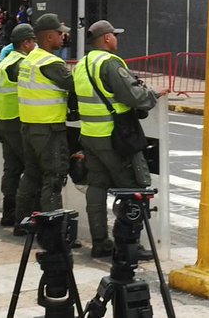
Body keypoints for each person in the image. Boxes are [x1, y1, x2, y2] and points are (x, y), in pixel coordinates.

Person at [73, 20, 164, 258]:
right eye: (114, 35)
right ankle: (128, 244)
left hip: (90, 135)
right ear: (106, 39)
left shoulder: (82, 64)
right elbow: (133, 96)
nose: (116, 38)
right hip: (115, 138)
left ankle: (100, 242)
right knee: (132, 189)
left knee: (96, 186)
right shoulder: (110, 63)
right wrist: (152, 95)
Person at [14, 13, 79, 230]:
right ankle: (53, 231)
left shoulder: (29, 59)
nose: (63, 37)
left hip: (29, 126)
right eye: (60, 34)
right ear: (49, 37)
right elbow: (74, 84)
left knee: (31, 175)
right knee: (54, 177)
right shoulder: (50, 62)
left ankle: (23, 223)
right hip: (49, 129)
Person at [0, 23, 35, 227]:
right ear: (26, 43)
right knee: (32, 168)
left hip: (4, 120)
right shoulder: (20, 64)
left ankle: (9, 212)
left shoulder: (3, 62)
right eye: (33, 41)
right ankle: (25, 218)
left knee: (12, 168)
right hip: (18, 121)